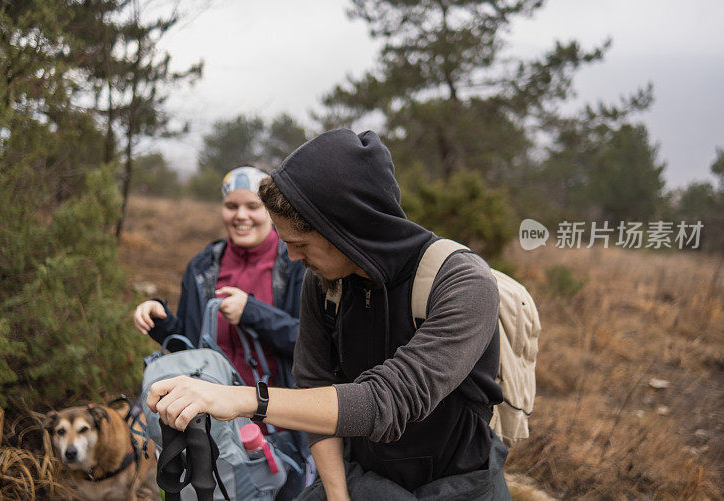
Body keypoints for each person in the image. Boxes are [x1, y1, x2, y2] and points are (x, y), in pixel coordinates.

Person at [147, 131, 511, 500]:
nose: (291, 257)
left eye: (300, 244)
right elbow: (314, 382)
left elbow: (387, 401)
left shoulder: (463, 282)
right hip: (361, 478)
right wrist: (338, 495)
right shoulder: (323, 283)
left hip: (459, 484)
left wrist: (242, 400)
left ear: (346, 230)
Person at [132, 166, 310, 498]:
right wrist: (159, 321)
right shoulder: (203, 266)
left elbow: (311, 344)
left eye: (253, 206)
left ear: (270, 210)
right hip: (218, 429)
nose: (241, 216)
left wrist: (253, 312)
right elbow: (190, 343)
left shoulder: (296, 261)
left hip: (281, 425)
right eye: (232, 206)